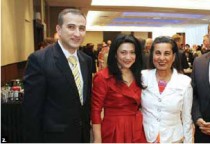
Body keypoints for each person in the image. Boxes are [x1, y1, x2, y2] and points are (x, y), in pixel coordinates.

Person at [22, 9, 92, 142]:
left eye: (82, 28)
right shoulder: (39, 60)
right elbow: (31, 112)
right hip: (53, 138)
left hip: (81, 136)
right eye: (71, 27)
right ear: (59, 29)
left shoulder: (86, 60)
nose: (77, 33)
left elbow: (84, 103)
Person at [91, 34, 146, 143]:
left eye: (132, 52)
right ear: (115, 54)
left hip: (137, 128)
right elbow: (95, 111)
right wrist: (97, 140)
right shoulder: (103, 77)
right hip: (114, 129)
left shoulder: (139, 75)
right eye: (123, 52)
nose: (128, 57)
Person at [141, 36, 193, 143]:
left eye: (167, 53)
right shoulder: (143, 77)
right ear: (152, 55)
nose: (161, 58)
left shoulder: (184, 82)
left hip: (174, 139)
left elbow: (187, 119)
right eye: (158, 53)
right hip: (146, 137)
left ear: (174, 57)